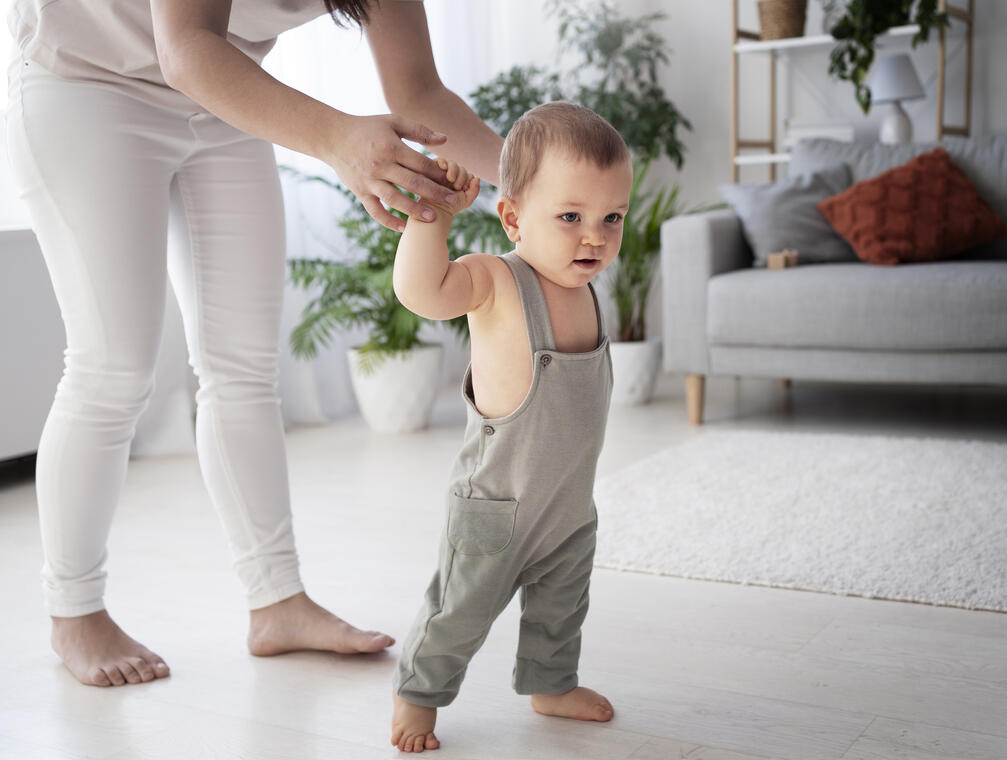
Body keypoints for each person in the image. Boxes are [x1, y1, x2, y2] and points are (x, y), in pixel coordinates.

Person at [4, 0, 502, 687]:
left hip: (222, 95)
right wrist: (339, 140)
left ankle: (278, 603)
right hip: (86, 79)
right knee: (112, 368)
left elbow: (418, 90)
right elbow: (184, 45)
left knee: (244, 367)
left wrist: (537, 178)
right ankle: (74, 612)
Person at [389, 101, 633, 753]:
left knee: (561, 609)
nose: (595, 237)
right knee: (460, 609)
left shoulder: (584, 288)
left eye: (612, 217)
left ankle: (551, 683)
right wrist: (431, 222)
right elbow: (423, 292)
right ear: (513, 217)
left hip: (567, 508)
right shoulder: (498, 281)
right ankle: (418, 692)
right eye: (571, 217)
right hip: (495, 507)